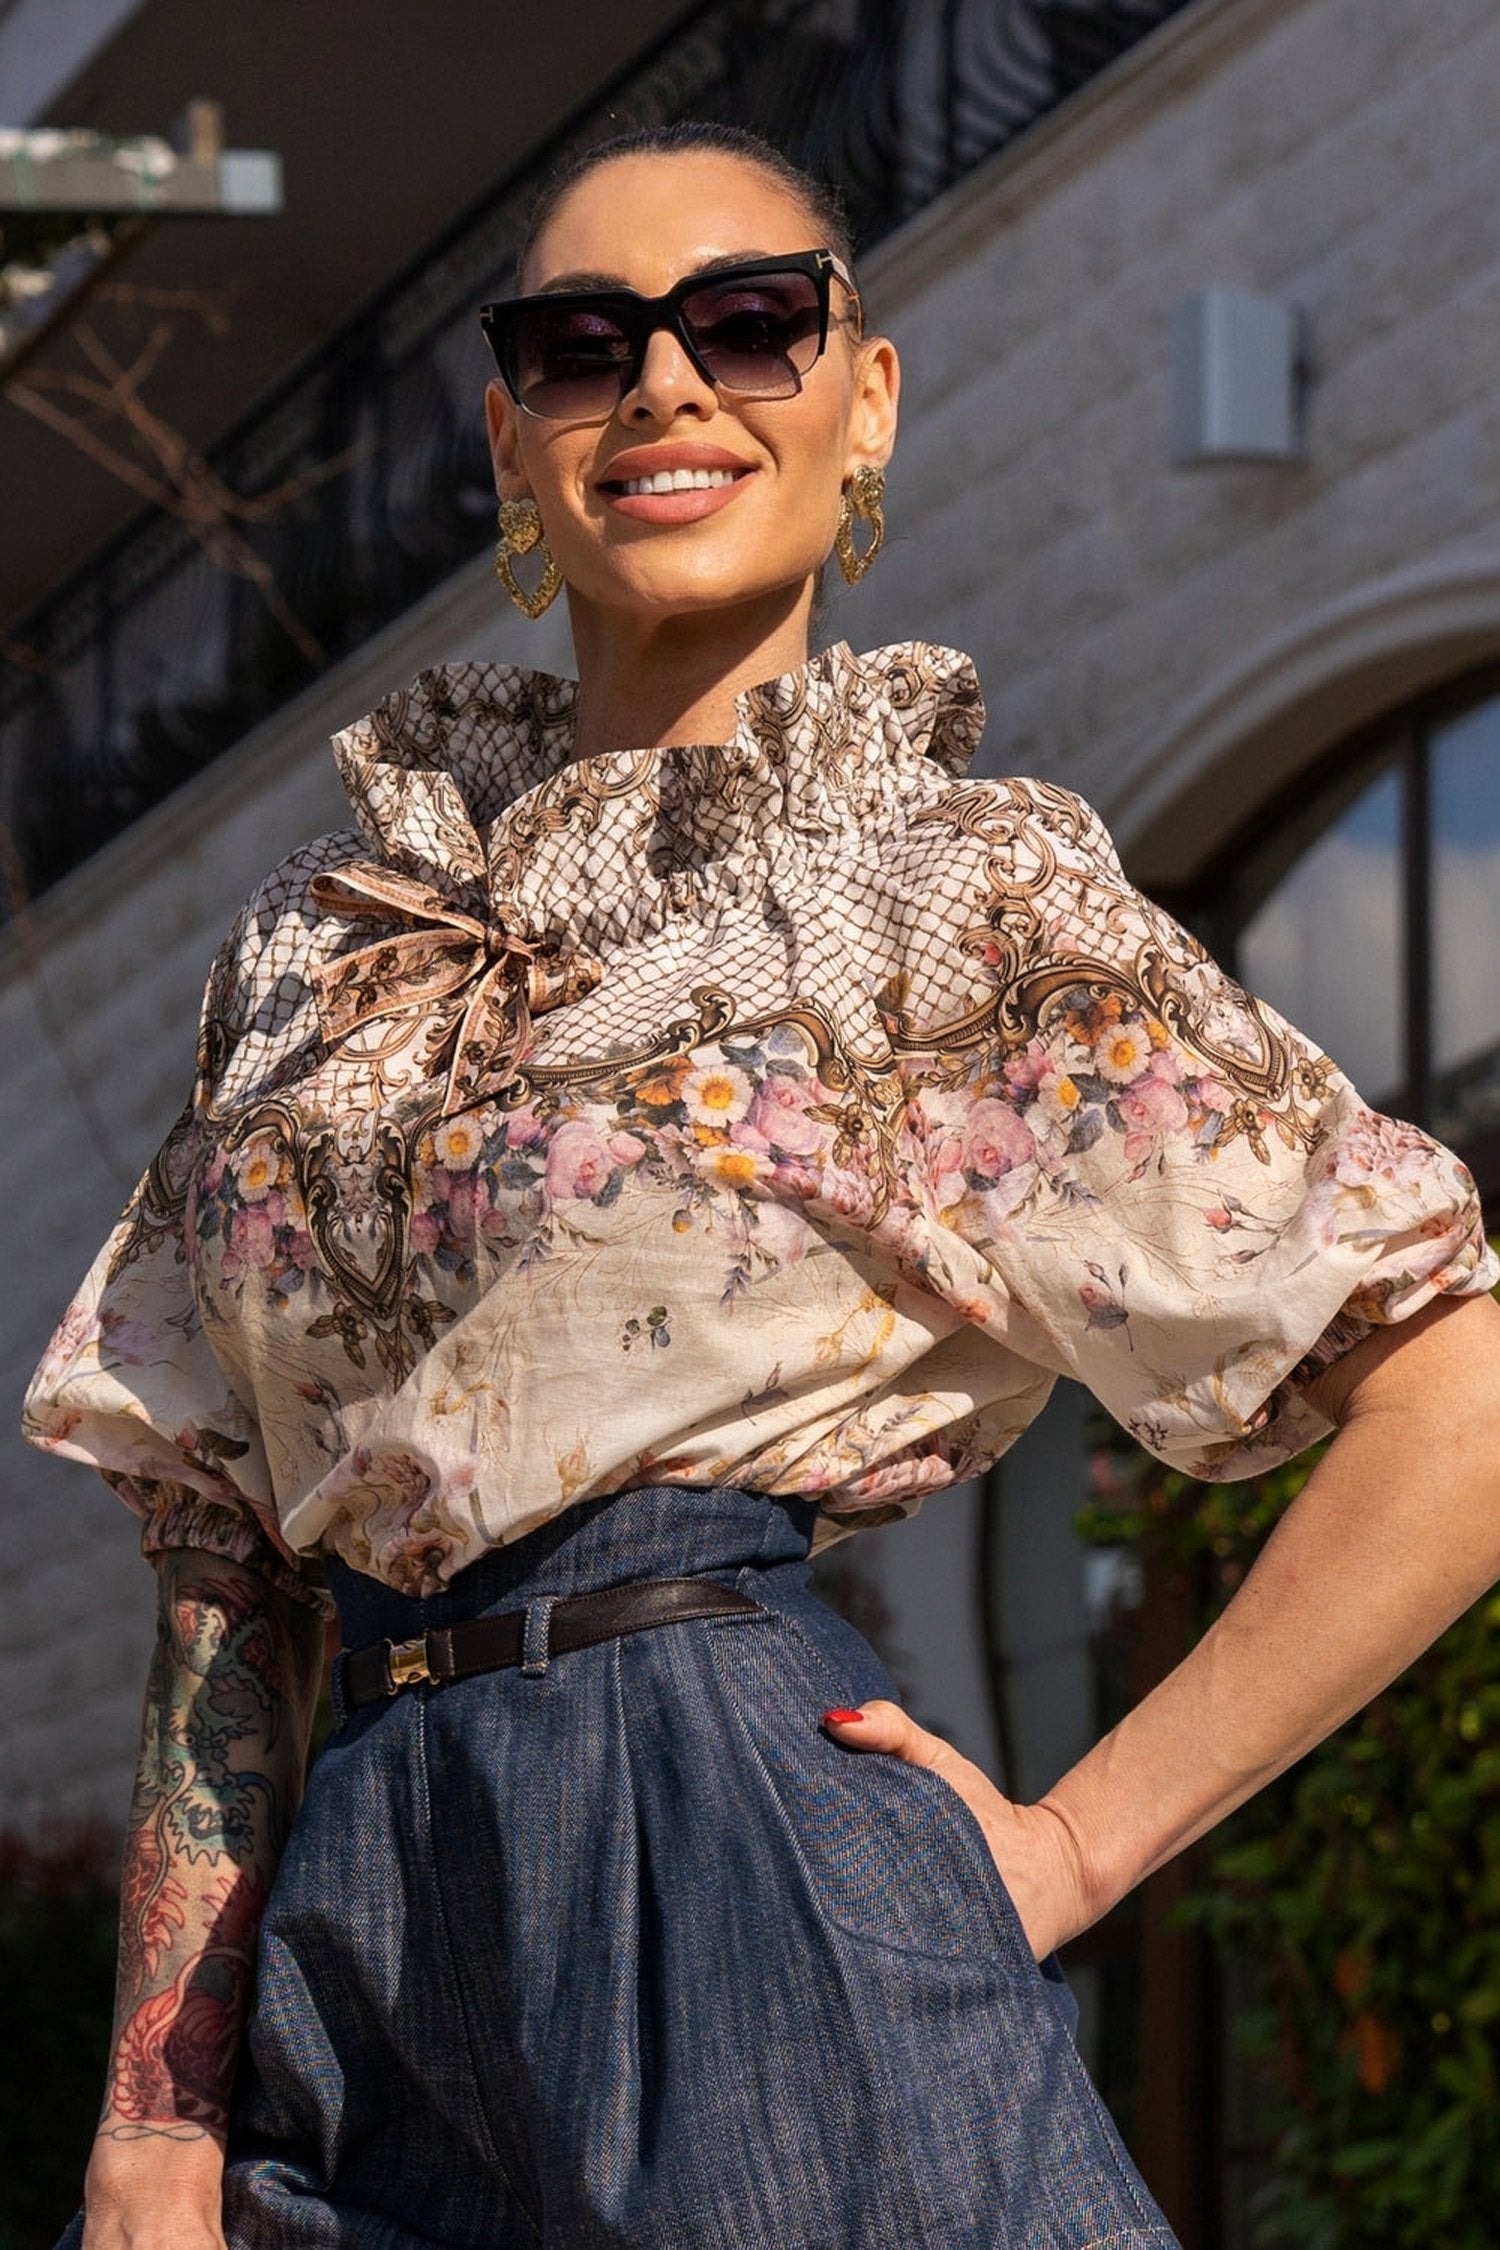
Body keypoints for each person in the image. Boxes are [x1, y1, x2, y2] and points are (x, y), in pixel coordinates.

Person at [24, 120, 1500, 2250]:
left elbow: (1450, 1393)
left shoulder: (951, 901)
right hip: (362, 1947)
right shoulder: (325, 936)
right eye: (579, 345)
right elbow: (220, 1540)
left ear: (864, 398)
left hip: (737, 1855)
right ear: (513, 439)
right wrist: (160, 2113)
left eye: (747, 322)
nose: (666, 388)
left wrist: (1080, 1847)